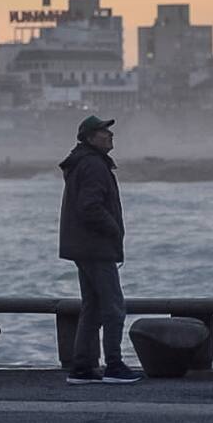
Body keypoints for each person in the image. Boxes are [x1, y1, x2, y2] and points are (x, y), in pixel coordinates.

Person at [58, 115, 141, 384]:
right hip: (96, 247)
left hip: (84, 246)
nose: (110, 135)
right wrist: (113, 230)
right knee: (114, 307)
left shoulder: (83, 162)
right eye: (104, 132)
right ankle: (114, 365)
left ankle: (81, 368)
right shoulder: (93, 165)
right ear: (90, 138)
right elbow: (90, 207)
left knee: (92, 308)